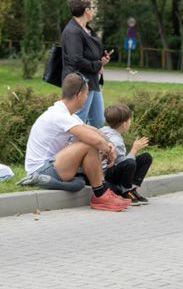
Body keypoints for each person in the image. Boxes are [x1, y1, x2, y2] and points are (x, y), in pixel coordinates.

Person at [18, 73, 128, 211]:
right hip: (42, 169)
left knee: (81, 178)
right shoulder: (59, 115)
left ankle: (103, 190)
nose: (87, 98)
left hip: (52, 166)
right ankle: (100, 194)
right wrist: (109, 151)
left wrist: (109, 143)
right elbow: (93, 139)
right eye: (87, 94)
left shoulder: (67, 114)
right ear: (79, 94)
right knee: (89, 144)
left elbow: (95, 131)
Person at [61, 0, 110, 128]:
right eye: (92, 8)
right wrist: (98, 65)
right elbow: (76, 60)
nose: (93, 11)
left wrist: (101, 60)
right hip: (79, 83)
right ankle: (72, 149)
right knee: (77, 121)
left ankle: (92, 149)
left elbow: (90, 53)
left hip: (92, 81)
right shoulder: (72, 31)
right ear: (87, 10)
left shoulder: (86, 29)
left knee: (98, 122)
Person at [99, 103, 153, 206]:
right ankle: (125, 191)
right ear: (124, 124)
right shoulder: (116, 141)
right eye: (129, 120)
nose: (130, 122)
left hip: (112, 169)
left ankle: (132, 189)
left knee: (146, 157)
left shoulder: (105, 130)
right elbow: (124, 164)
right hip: (107, 176)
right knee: (130, 163)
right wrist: (134, 150)